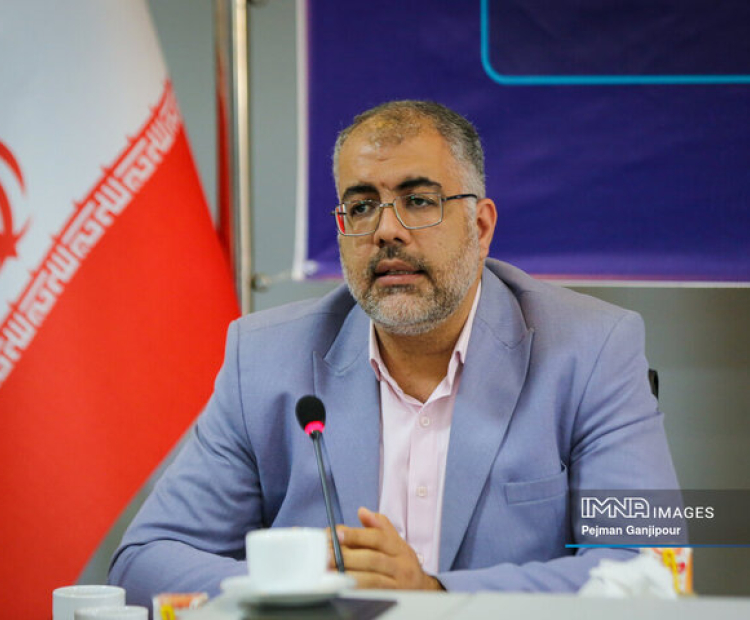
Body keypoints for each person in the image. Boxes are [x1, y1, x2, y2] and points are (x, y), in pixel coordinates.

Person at [109, 100, 678, 603]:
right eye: (361, 206)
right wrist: (297, 581)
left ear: (480, 227)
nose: (386, 231)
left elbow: (650, 567)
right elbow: (144, 561)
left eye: (419, 200)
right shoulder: (263, 360)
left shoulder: (594, 348)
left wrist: (432, 595)